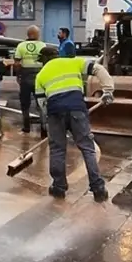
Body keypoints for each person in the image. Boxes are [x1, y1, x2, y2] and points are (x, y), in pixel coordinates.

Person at [35, 45, 114, 201]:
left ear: (44, 60)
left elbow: (42, 104)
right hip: (77, 109)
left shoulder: (40, 75)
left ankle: (58, 187)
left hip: (55, 112)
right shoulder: (74, 62)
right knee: (87, 148)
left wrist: (50, 124)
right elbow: (99, 69)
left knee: (57, 149)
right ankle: (98, 189)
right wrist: (108, 91)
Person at [13, 26, 48, 136]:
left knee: (25, 103)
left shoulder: (21, 46)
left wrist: (18, 75)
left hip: (25, 76)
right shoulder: (42, 45)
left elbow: (17, 63)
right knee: (41, 103)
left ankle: (26, 127)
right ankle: (44, 129)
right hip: (39, 76)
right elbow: (46, 62)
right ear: (36, 34)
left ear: (28, 35)